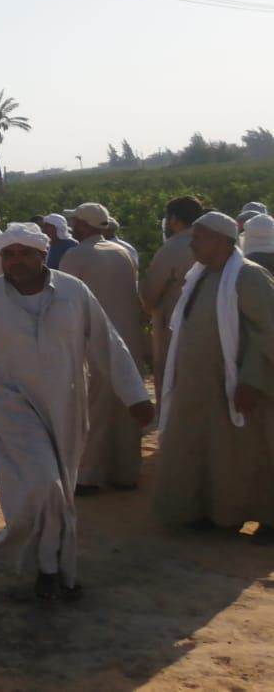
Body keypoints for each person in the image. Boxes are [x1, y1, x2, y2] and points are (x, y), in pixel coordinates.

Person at [0, 223, 152, 600]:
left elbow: (107, 342)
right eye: (9, 254)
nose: (16, 261)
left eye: (25, 253)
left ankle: (53, 567)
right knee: (44, 483)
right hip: (11, 404)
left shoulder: (73, 291)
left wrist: (135, 395)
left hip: (65, 401)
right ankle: (47, 565)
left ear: (43, 255)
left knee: (61, 490)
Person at [151, 212, 274, 540]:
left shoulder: (248, 276)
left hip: (240, 386)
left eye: (199, 237)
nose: (192, 244)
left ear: (222, 241)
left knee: (252, 455)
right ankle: (219, 514)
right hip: (202, 385)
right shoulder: (201, 275)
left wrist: (251, 381)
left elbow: (267, 335)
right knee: (213, 454)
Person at [60, 203, 149, 495]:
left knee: (92, 410)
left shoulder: (76, 255)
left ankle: (87, 476)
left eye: (76, 221)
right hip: (128, 340)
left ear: (84, 225)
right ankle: (125, 472)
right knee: (125, 408)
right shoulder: (122, 252)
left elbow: (64, 301)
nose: (72, 225)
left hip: (94, 341)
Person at [142, 196, 206, 401]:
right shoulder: (213, 241)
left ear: (175, 219)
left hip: (174, 326)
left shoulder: (173, 247)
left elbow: (150, 294)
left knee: (172, 383)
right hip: (210, 324)